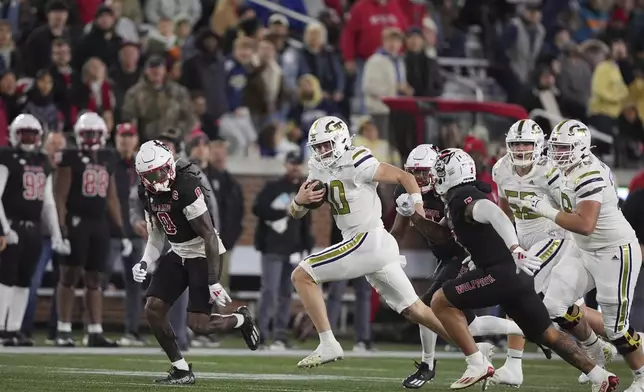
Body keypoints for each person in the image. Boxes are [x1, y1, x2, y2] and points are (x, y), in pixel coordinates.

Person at [428, 148, 619, 391]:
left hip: (501, 273)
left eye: (440, 173)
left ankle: (476, 362)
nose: (436, 178)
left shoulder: (463, 197)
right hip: (514, 276)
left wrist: (515, 247)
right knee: (548, 335)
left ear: (451, 174)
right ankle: (600, 375)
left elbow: (494, 213)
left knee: (440, 301)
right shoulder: (460, 198)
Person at [289, 116, 463, 369]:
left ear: (340, 141)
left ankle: (328, 342)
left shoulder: (357, 159)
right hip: (367, 244)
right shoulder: (317, 167)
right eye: (318, 147)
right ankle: (475, 353)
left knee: (302, 275)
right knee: (417, 311)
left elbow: (406, 177)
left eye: (327, 145)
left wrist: (418, 207)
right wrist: (298, 201)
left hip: (368, 238)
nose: (322, 151)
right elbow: (296, 213)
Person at [518, 119, 644, 392]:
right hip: (582, 247)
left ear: (581, 148)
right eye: (555, 146)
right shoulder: (563, 168)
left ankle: (641, 376)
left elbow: (585, 223)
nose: (557, 153)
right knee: (553, 305)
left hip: (614, 251)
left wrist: (546, 211)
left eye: (564, 147)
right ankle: (597, 351)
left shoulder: (589, 173)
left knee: (616, 328)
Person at [491, 119, 616, 387]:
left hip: (553, 234)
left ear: (539, 145)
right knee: (570, 311)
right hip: (523, 236)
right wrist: (509, 241)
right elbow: (503, 210)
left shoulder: (551, 170)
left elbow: (569, 212)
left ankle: (514, 363)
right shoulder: (501, 168)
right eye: (516, 144)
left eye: (526, 143)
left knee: (519, 288)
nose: (521, 149)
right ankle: (617, 340)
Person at [393, 144, 524, 389]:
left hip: (463, 256)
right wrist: (388, 249)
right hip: (446, 257)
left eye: (424, 172)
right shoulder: (411, 190)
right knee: (467, 323)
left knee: (427, 307)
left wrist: (415, 215)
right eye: (413, 172)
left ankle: (431, 364)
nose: (419, 178)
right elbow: (409, 232)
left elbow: (450, 233)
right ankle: (522, 328)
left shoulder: (454, 194)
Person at [130, 140, 260, 384]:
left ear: (169, 165)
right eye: (150, 175)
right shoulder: (146, 192)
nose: (156, 179)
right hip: (178, 252)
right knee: (153, 309)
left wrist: (213, 281)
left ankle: (241, 319)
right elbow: (157, 235)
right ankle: (181, 369)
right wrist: (145, 262)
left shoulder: (187, 185)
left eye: (159, 171)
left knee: (198, 325)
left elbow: (209, 235)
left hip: (203, 253)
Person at [53, 111, 132, 347]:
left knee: (95, 278)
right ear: (78, 135)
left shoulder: (108, 157)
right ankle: (63, 329)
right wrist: (61, 227)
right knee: (69, 275)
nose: (90, 139)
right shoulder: (69, 157)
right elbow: (60, 196)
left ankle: (95, 330)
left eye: (94, 134)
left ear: (103, 135)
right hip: (76, 222)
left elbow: (112, 198)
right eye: (86, 134)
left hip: (99, 223)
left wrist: (121, 230)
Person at [0, 115, 69, 346]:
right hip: (13, 225)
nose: (29, 139)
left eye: (32, 134)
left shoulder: (42, 160)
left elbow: (48, 201)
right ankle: (1, 329)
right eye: (24, 134)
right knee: (5, 281)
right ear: (14, 134)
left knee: (23, 282)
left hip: (34, 230)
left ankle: (13, 330)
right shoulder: (7, 157)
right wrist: (4, 228)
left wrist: (57, 233)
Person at [253, 151, 313, 349]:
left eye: (297, 163)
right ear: (286, 164)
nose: (294, 167)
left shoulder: (302, 188)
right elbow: (258, 209)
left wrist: (307, 246)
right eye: (291, 163)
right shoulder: (273, 187)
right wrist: (282, 212)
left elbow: (306, 221)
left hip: (293, 248)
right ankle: (260, 335)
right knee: (270, 291)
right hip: (272, 247)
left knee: (286, 294)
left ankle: (280, 335)